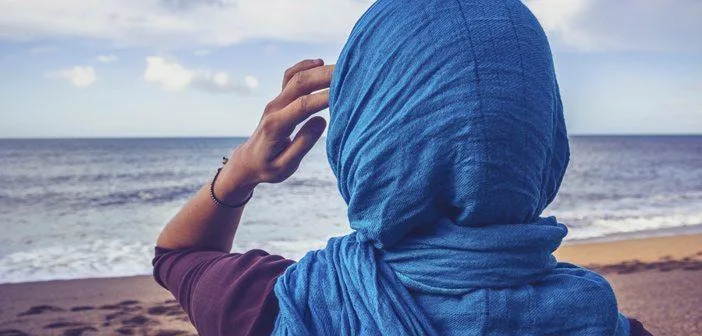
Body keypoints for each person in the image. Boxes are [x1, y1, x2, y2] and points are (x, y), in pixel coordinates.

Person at [154, 0, 653, 335]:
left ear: (365, 136)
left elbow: (177, 253)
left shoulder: (280, 305)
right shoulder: (603, 322)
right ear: (544, 133)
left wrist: (243, 167)